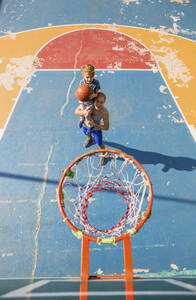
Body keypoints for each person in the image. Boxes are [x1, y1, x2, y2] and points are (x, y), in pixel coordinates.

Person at [77, 64, 101, 135]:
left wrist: (93, 95)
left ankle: (90, 126)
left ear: (94, 75)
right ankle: (81, 120)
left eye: (91, 77)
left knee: (87, 114)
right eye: (87, 77)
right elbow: (80, 91)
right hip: (83, 101)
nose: (89, 79)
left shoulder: (96, 83)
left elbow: (97, 93)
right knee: (81, 111)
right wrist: (80, 95)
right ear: (83, 76)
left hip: (91, 102)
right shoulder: (82, 82)